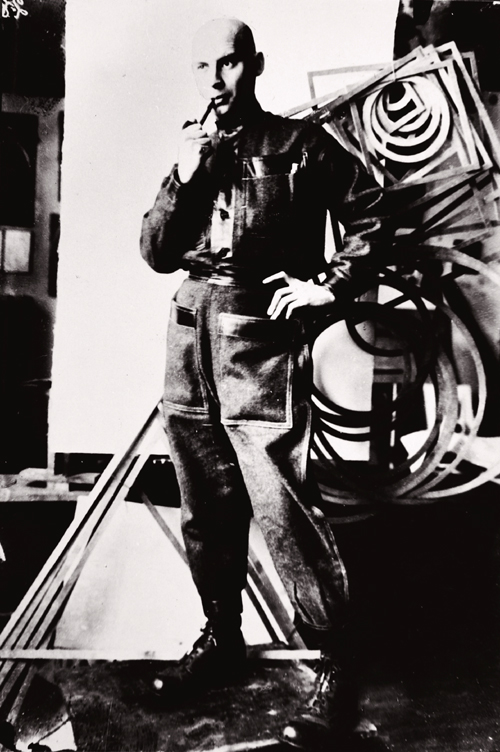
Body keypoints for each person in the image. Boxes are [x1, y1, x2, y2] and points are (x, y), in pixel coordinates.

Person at [140, 17, 384, 749]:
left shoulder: (301, 145)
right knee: (204, 504)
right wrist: (185, 176)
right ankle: (222, 639)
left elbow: (372, 212)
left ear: (256, 65)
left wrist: (331, 286)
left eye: (229, 64)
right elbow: (155, 251)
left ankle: (337, 671)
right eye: (203, 68)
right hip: (189, 336)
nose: (216, 81)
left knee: (283, 509)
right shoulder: (192, 147)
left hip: (258, 340)